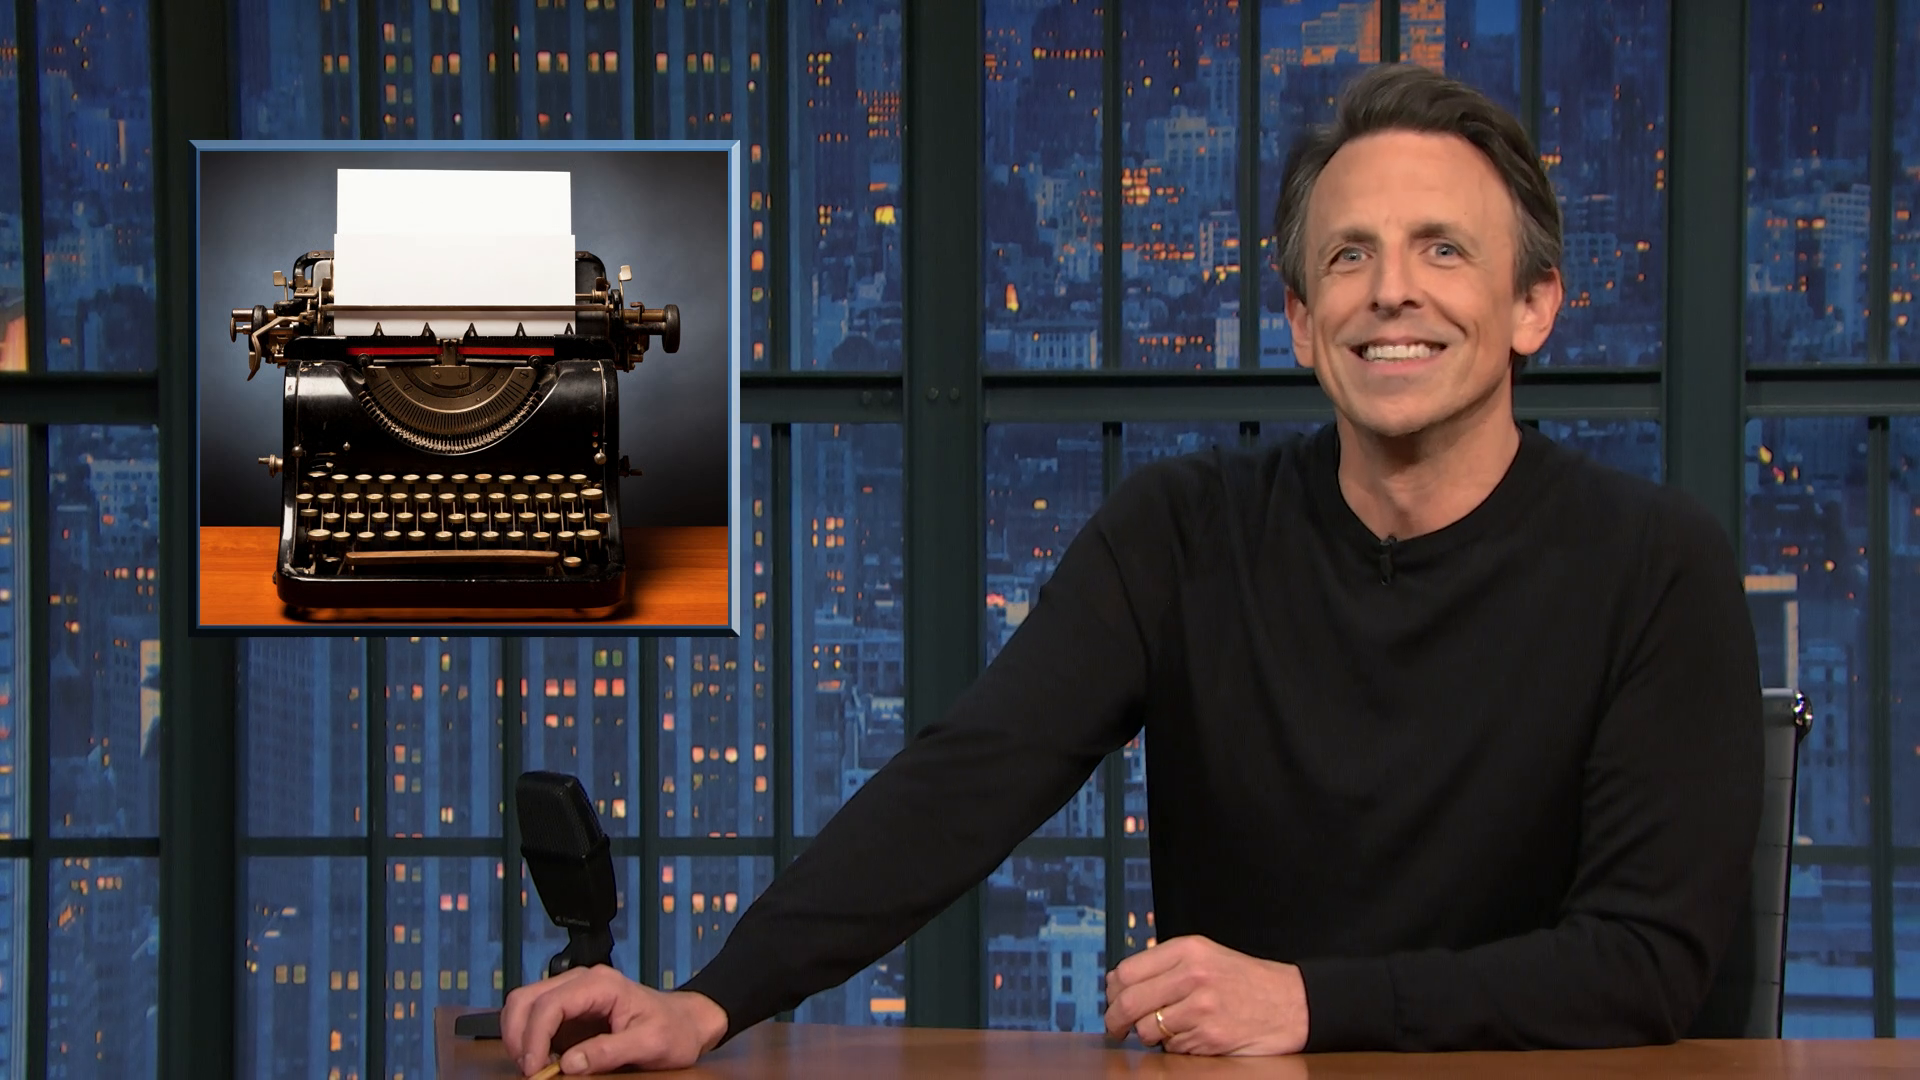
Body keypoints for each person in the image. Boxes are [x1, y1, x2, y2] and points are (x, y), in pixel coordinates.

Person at [499, 62, 1763, 1076]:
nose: (1391, 292)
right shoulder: (1185, 532)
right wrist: (711, 1000)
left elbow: (1644, 964)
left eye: (1443, 250)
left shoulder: (1655, 565)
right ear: (1300, 321)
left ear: (1535, 305)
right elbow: (970, 779)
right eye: (1348, 256)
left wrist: (1310, 1004)